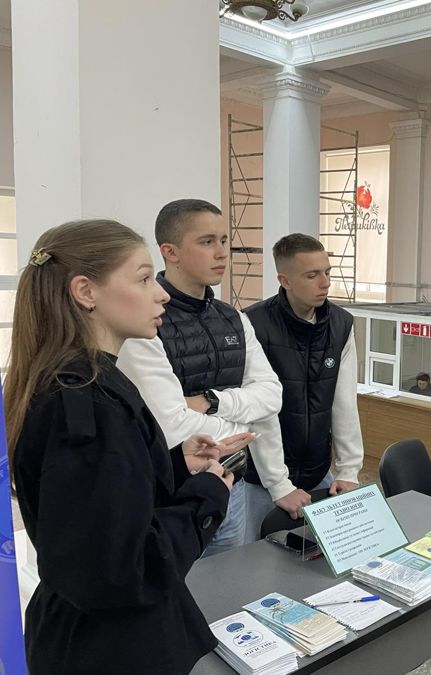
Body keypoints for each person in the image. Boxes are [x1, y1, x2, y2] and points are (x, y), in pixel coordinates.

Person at [7, 220, 253, 674]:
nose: (160, 294)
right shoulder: (84, 402)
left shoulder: (85, 383)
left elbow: (99, 503)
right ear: (86, 292)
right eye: (142, 279)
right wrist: (208, 494)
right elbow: (121, 569)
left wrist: (174, 466)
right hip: (109, 650)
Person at [118, 199, 296, 555]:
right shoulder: (144, 324)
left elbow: (271, 396)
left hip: (232, 486)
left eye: (224, 240)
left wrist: (211, 402)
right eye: (207, 242)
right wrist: (243, 423)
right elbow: (170, 425)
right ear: (170, 252)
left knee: (228, 584)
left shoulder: (233, 319)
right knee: (179, 584)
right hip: (174, 494)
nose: (221, 252)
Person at [243, 234, 364, 532]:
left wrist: (348, 470)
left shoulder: (341, 324)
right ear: (285, 280)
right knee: (254, 556)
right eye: (312, 275)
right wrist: (278, 484)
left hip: (318, 474)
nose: (325, 283)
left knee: (319, 555)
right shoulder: (252, 324)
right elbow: (258, 412)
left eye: (327, 272)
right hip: (260, 480)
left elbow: (345, 403)